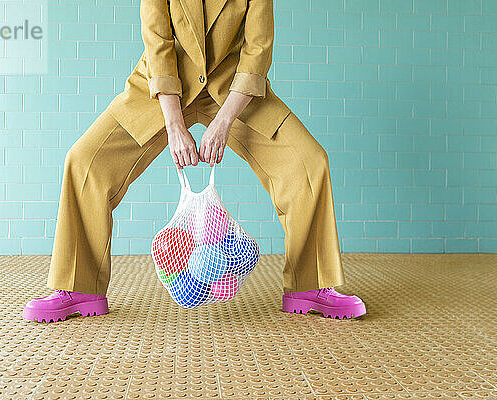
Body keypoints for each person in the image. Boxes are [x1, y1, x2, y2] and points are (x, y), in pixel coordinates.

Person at [23, 0, 366, 323]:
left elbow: (258, 49)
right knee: (84, 162)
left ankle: (311, 284)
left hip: (234, 92)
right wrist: (173, 124)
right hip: (163, 89)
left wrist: (225, 121)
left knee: (309, 162)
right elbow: (158, 43)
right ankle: (78, 288)